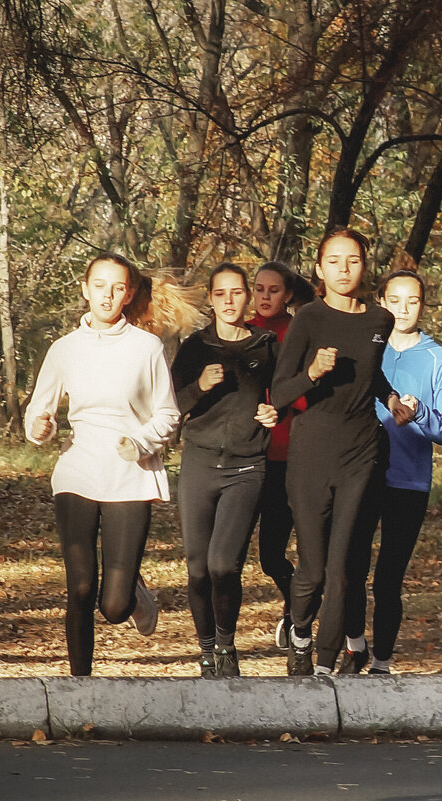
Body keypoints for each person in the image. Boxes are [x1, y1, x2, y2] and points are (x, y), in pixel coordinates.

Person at [24, 252, 180, 676]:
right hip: (78, 471)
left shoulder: (146, 348)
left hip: (129, 474)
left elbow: (167, 415)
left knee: (112, 606)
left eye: (117, 288)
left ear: (128, 294)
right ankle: (80, 686)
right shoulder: (64, 350)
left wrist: (141, 441)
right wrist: (40, 427)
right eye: (99, 286)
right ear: (85, 290)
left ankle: (131, 591)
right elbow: (38, 416)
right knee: (79, 586)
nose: (107, 296)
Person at [271, 227, 415, 676]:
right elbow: (278, 393)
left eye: (352, 260)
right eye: (333, 261)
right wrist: (313, 371)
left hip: (362, 452)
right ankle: (299, 634)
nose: (343, 269)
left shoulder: (379, 321)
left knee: (342, 569)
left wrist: (391, 400)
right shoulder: (308, 319)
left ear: (364, 265)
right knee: (312, 571)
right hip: (311, 453)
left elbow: (371, 376)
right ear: (319, 269)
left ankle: (328, 665)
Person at [341, 266, 442, 675]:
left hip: (408, 481)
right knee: (350, 568)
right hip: (358, 473)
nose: (404, 309)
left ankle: (382, 664)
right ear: (382, 303)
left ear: (423, 306)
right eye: (395, 301)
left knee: (388, 578)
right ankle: (355, 645)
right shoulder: (364, 347)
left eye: (412, 301)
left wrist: (420, 413)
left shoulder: (437, 359)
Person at [170, 263, 280, 677]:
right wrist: (199, 386)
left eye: (237, 293)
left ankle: (227, 646)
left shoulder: (266, 345)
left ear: (247, 298)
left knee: (223, 565)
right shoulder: (195, 347)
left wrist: (276, 411)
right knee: (198, 568)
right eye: (221, 294)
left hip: (247, 466)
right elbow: (173, 406)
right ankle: (205, 651)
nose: (230, 301)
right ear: (211, 300)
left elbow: (285, 392)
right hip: (199, 462)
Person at [247, 261, 315, 649]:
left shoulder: (297, 333)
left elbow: (306, 395)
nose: (265, 296)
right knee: (244, 557)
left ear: (288, 294)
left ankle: (297, 613)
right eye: (259, 289)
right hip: (244, 457)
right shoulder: (242, 332)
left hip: (287, 458)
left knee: (274, 554)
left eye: (274, 290)